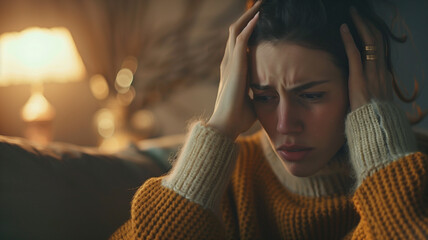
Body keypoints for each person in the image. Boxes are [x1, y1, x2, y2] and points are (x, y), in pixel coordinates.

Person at [111, 0, 428, 239]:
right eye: (264, 97)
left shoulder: (417, 172)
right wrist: (219, 126)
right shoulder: (232, 183)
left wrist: (384, 155)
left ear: (363, 84)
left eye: (311, 95)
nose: (284, 124)